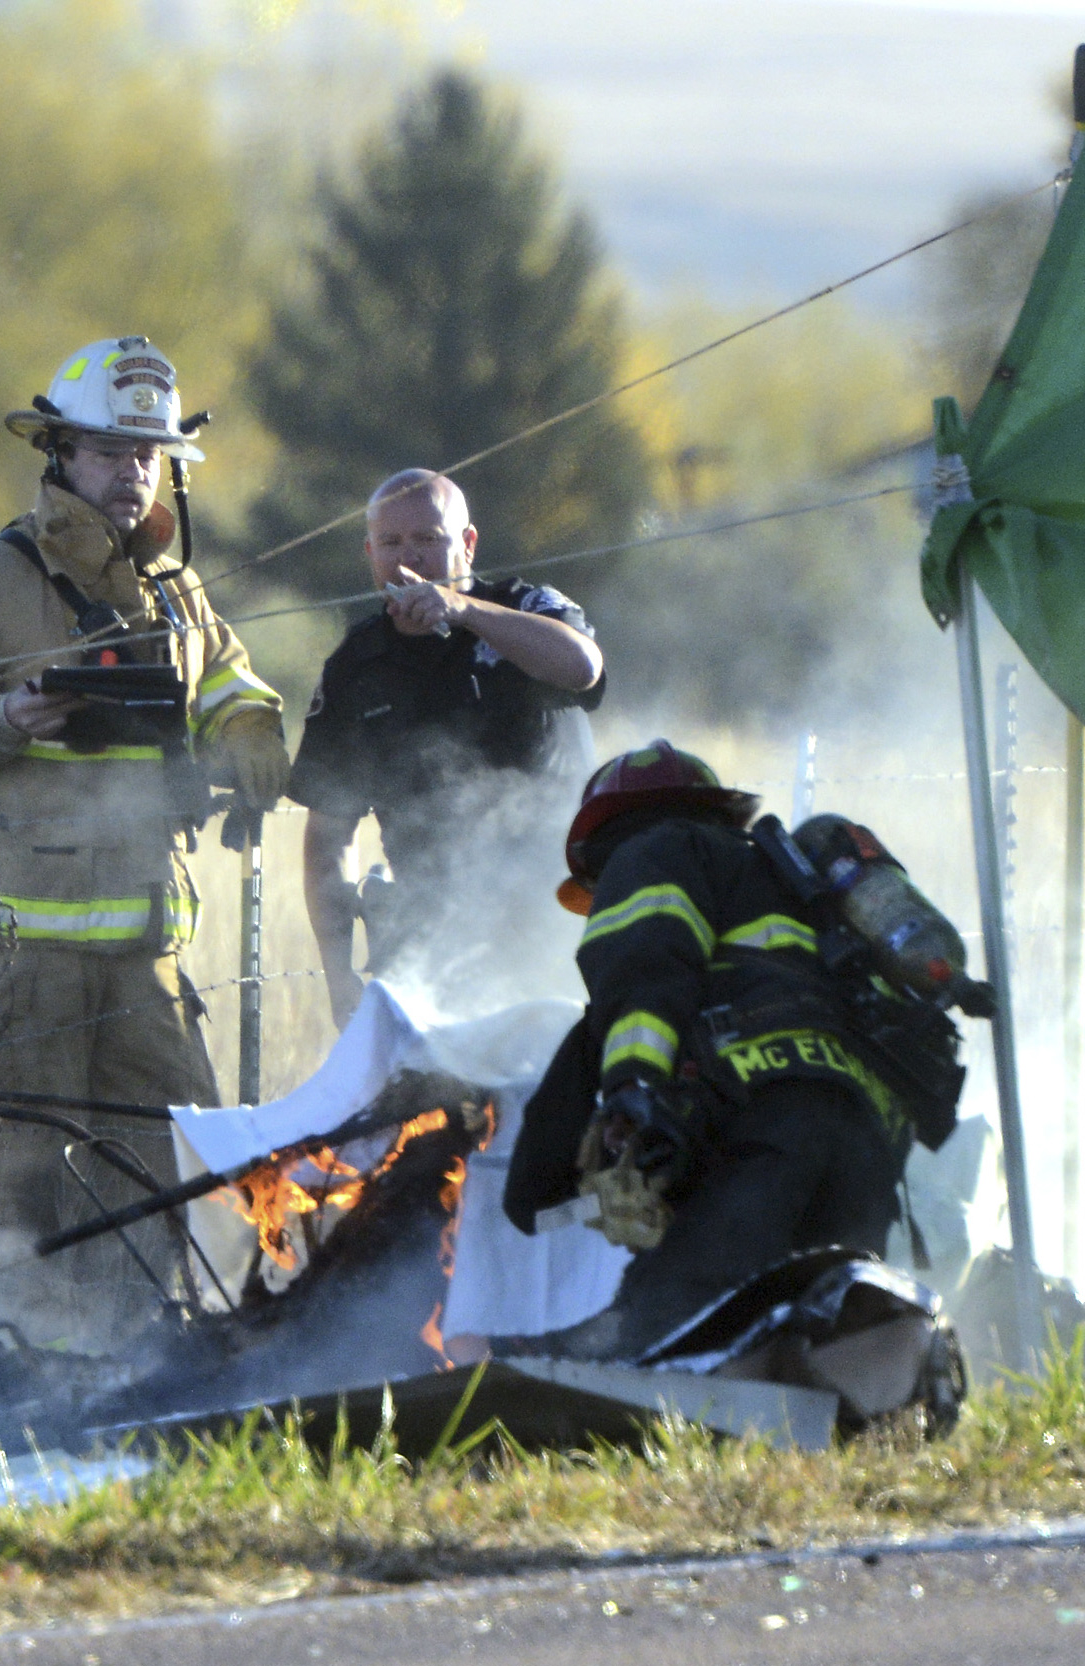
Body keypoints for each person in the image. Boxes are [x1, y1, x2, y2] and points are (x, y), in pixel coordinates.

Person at [0, 336, 286, 1336]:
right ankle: (9, 1387)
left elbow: (240, 694)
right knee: (19, 1206)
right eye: (109, 452)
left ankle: (140, 1378)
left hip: (144, 963)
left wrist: (245, 738)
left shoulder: (177, 597)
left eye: (148, 456)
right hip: (13, 968)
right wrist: (0, 721)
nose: (132, 473)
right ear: (57, 454)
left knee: (165, 1181)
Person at [500, 743, 960, 1358]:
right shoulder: (797, 884)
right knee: (815, 1347)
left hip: (763, 1131)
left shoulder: (653, 851)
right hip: (868, 1145)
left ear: (604, 845)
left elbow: (643, 968)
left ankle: (496, 1381)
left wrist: (632, 1091)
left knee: (663, 1329)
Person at [287, 469, 604, 1024]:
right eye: (391, 543)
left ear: (468, 544)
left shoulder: (527, 606)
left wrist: (465, 612)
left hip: (556, 916)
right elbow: (328, 839)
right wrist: (340, 980)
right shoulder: (355, 666)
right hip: (431, 932)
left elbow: (582, 667)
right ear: (369, 553)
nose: (410, 557)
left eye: (429, 539)